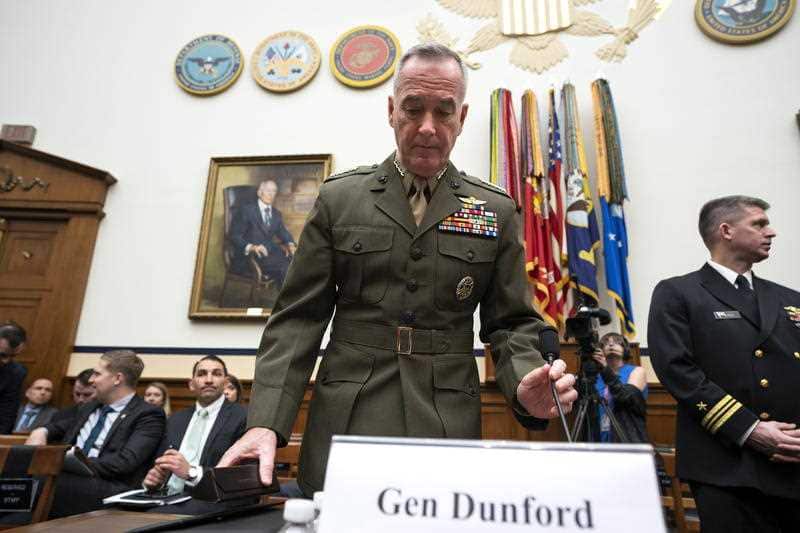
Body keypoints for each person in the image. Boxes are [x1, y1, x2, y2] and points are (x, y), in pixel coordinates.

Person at [219, 43, 577, 497]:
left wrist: (525, 379)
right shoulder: (340, 199)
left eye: (443, 112)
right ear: (392, 111)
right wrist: (266, 423)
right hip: (349, 413)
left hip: (444, 416)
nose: (427, 127)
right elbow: (297, 321)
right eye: (413, 109)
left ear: (461, 118)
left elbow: (511, 324)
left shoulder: (495, 209)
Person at [648, 195, 800, 532]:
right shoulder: (679, 293)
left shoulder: (790, 299)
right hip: (726, 466)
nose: (771, 232)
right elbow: (678, 370)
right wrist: (750, 429)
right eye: (759, 224)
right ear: (726, 230)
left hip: (792, 463)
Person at [26, 350, 166, 518]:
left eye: (97, 374)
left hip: (109, 487)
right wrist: (42, 430)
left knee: (41, 482)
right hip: (70, 481)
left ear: (117, 379)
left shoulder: (147, 415)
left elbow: (125, 462)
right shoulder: (89, 407)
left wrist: (72, 463)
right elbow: (61, 426)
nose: (91, 380)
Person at [141, 356, 249, 515]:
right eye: (202, 374)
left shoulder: (243, 417)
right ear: (191, 384)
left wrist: (192, 473)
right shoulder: (176, 419)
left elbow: (244, 477)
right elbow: (161, 466)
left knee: (150, 517)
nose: (209, 380)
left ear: (226, 383)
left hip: (211, 500)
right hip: (166, 497)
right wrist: (155, 480)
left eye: (217, 374)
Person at [228, 179, 297, 288]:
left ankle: (291, 301)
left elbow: (283, 232)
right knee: (287, 267)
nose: (271, 194)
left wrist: (290, 244)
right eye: (268, 191)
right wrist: (252, 247)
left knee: (298, 262)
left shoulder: (276, 214)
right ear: (260, 193)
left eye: (274, 191)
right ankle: (289, 303)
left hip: (269, 255)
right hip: (249, 258)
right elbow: (234, 236)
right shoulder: (246, 210)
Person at [591, 332, 648, 443]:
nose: (611, 345)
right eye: (607, 343)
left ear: (624, 348)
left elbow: (625, 397)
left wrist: (605, 368)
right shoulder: (594, 377)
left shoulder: (636, 371)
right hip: (599, 438)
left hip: (626, 437)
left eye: (617, 342)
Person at [0, 321, 27, 434]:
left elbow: (7, 412)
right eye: (2, 355)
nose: (6, 361)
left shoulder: (16, 372)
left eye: (13, 356)